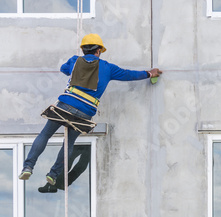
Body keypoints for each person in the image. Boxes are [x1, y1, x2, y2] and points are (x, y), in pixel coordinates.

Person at [18, 33, 162, 186]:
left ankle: (28, 167)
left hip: (65, 105)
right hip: (85, 112)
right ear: (98, 51)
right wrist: (149, 73)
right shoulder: (108, 67)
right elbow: (129, 75)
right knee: (69, 143)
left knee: (45, 134)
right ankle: (53, 175)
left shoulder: (75, 61)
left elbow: (63, 69)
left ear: (83, 50)